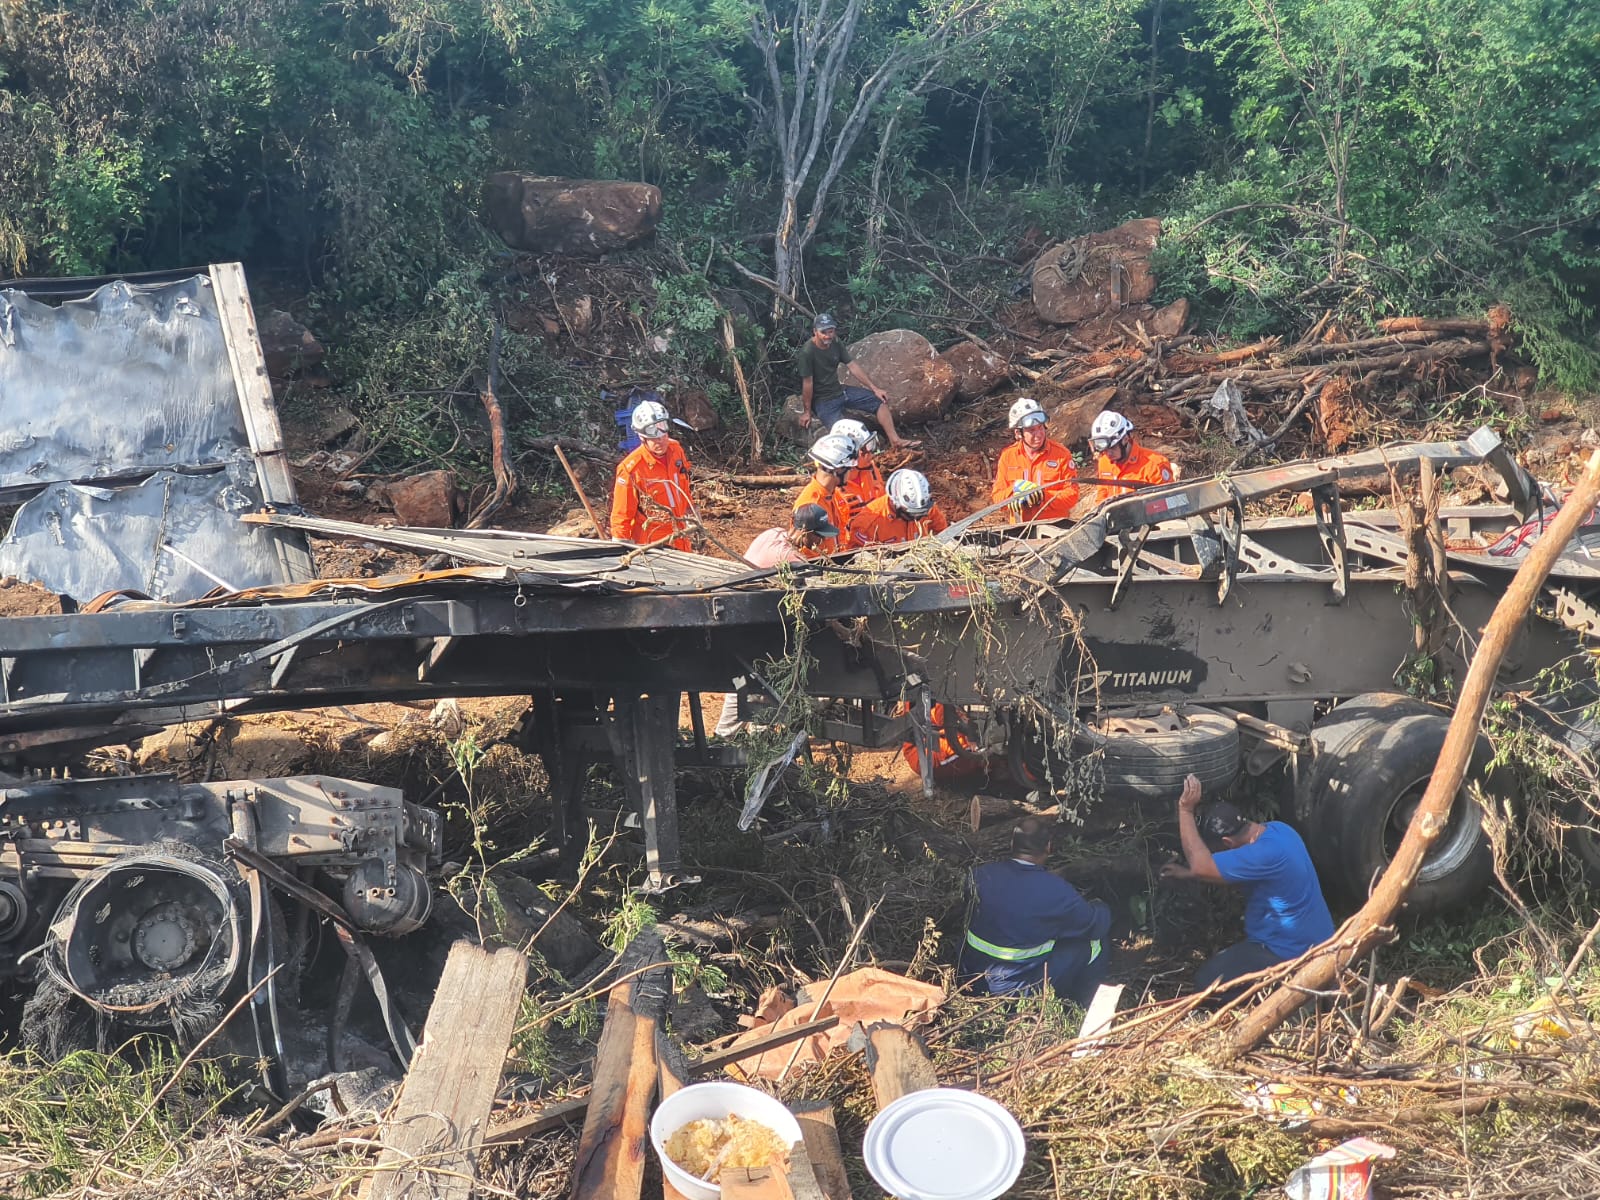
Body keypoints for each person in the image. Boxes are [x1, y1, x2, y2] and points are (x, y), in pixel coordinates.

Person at [1159, 775, 1335, 992]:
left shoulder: (1265, 855)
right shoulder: (1279, 830)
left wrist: (1185, 810)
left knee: (1207, 983)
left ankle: (1286, 990)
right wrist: (1187, 874)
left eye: (1217, 851)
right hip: (1317, 940)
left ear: (1227, 842)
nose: (1217, 856)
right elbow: (1239, 871)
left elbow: (1201, 866)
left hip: (1292, 952)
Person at [715, 505, 840, 736]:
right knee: (761, 685)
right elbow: (815, 598)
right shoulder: (791, 559)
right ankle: (733, 736)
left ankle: (739, 735)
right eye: (817, 536)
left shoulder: (772, 534)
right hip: (752, 630)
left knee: (744, 684)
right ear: (804, 530)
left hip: (737, 621)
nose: (819, 542)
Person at [961, 816, 1111, 1008]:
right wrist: (1101, 906)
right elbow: (1094, 925)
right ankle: (1079, 1009)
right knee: (1096, 944)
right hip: (1016, 991)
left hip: (971, 980)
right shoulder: (1057, 892)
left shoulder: (978, 876)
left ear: (1011, 843)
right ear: (1048, 847)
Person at [795, 313, 920, 449]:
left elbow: (852, 366)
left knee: (879, 401)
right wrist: (807, 411)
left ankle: (895, 440)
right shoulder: (807, 352)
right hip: (823, 401)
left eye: (830, 331)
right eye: (823, 332)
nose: (828, 336)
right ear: (815, 331)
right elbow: (808, 383)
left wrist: (875, 389)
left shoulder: (835, 342)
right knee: (843, 436)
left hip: (840, 391)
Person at [610, 399, 695, 550]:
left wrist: (692, 514)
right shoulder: (631, 469)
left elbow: (684, 486)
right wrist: (620, 546)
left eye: (663, 434)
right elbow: (621, 514)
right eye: (654, 437)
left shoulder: (676, 450)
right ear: (642, 437)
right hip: (653, 542)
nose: (661, 440)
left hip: (681, 534)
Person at [990, 397, 1080, 524]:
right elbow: (997, 498)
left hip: (1055, 529)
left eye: (1040, 428)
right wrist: (1014, 492)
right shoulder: (1008, 456)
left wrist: (1042, 495)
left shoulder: (1061, 455)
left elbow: (1072, 495)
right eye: (1031, 430)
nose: (1038, 434)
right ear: (1018, 433)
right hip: (1020, 530)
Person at [793, 434, 858, 555]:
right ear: (839, 470)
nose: (851, 472)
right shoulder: (812, 505)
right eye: (849, 468)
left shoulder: (829, 495)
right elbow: (806, 553)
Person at [1090, 411, 1175, 502]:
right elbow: (1102, 497)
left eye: (1112, 448)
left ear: (1125, 439)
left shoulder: (1154, 464)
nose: (1108, 453)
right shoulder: (1104, 462)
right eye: (1104, 450)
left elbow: (1168, 501)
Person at [850, 468, 949, 545]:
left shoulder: (925, 507)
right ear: (895, 503)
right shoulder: (868, 525)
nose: (917, 517)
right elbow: (857, 560)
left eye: (920, 513)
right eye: (912, 513)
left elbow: (943, 532)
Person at [828, 417, 886, 522]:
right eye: (865, 450)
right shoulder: (831, 486)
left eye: (870, 446)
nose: (870, 455)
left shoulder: (871, 469)